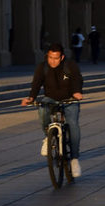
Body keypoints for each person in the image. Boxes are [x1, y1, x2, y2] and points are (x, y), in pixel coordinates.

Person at [20, 42, 84, 177]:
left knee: (73, 124)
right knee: (42, 109)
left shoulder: (70, 65)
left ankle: (74, 159)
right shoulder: (42, 67)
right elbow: (36, 83)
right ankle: (47, 137)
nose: (53, 61)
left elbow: (77, 79)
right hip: (50, 98)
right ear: (46, 56)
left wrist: (77, 92)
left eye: (56, 58)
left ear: (61, 57)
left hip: (69, 99)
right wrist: (31, 97)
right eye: (50, 58)